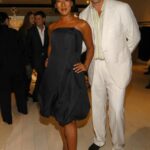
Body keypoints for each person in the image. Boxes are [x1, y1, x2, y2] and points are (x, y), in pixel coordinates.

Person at [79, 0, 140, 150]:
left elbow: (134, 36)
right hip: (95, 66)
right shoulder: (83, 14)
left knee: (117, 109)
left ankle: (118, 145)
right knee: (97, 106)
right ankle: (99, 139)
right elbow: (82, 44)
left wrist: (121, 56)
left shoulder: (122, 8)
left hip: (117, 66)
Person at [39, 0, 94, 149]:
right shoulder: (52, 27)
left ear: (72, 4)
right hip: (54, 75)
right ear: (55, 6)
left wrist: (86, 65)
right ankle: (65, 146)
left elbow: (90, 47)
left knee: (68, 118)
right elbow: (51, 46)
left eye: (66, 1)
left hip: (71, 76)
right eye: (59, 2)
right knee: (59, 116)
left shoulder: (82, 25)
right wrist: (48, 59)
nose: (63, 5)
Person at [0, 12, 28, 124]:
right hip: (16, 67)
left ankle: (7, 118)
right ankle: (23, 110)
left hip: (2, 69)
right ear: (6, 20)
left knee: (4, 94)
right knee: (20, 91)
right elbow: (22, 50)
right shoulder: (14, 33)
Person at [26, 11, 49, 102]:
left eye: (39, 18)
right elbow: (27, 48)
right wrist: (29, 62)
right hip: (36, 60)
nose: (36, 21)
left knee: (44, 78)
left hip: (47, 59)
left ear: (44, 19)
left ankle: (40, 95)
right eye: (35, 19)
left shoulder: (49, 30)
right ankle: (37, 96)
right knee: (39, 77)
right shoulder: (30, 31)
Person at [18, 11, 35, 98]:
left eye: (34, 18)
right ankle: (24, 93)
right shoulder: (24, 30)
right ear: (27, 19)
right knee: (26, 76)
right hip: (25, 58)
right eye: (32, 18)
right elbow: (23, 47)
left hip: (29, 58)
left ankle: (26, 92)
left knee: (28, 76)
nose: (34, 19)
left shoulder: (32, 29)